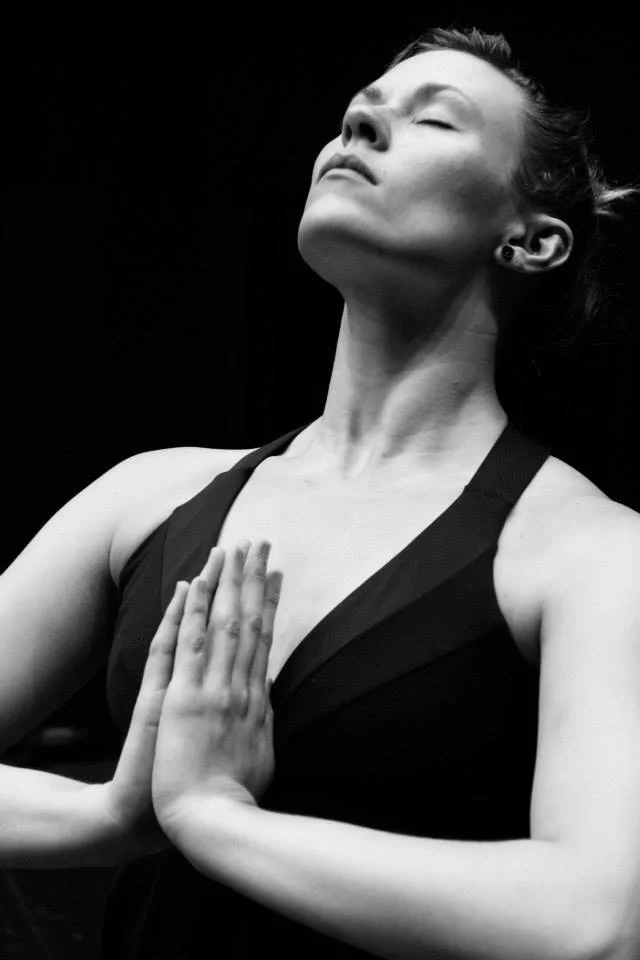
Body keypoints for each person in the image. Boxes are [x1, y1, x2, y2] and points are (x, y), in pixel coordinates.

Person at [1, 24, 639, 959]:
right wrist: (111, 819)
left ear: (531, 241)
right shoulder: (146, 494)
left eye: (434, 119)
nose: (360, 128)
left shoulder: (589, 550)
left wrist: (216, 820)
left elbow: (595, 920)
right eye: (360, 112)